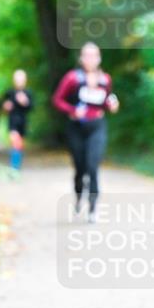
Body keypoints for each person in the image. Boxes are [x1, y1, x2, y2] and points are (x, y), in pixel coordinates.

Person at [52, 42, 119, 223]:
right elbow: (57, 100)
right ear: (81, 58)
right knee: (80, 168)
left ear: (99, 58)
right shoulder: (72, 78)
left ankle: (93, 207)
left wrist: (112, 105)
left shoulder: (105, 79)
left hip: (97, 126)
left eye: (94, 55)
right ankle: (79, 196)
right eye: (87, 55)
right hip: (76, 128)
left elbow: (106, 101)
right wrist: (73, 110)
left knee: (93, 165)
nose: (90, 59)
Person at [2, 69, 34, 170]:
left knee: (19, 144)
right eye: (17, 79)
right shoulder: (9, 92)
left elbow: (31, 107)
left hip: (23, 121)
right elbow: (3, 106)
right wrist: (6, 106)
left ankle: (16, 164)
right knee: (15, 142)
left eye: (21, 79)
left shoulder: (28, 93)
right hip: (12, 121)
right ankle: (14, 166)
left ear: (25, 80)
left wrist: (24, 102)